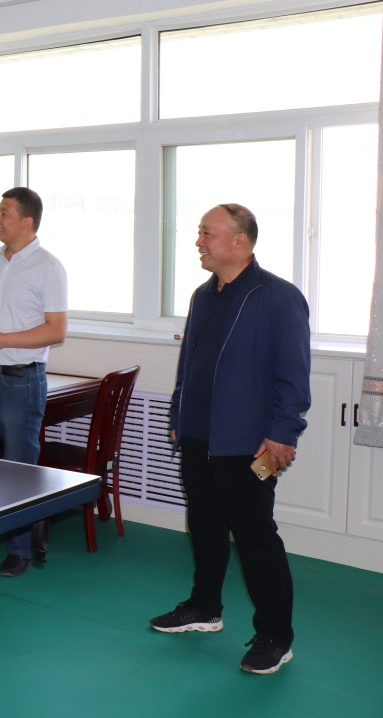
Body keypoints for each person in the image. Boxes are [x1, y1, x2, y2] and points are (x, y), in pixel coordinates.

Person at [150, 203, 310, 676]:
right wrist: (178, 411)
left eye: (207, 233)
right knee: (203, 526)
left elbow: (294, 375)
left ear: (240, 241)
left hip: (250, 446)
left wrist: (283, 433)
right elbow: (190, 363)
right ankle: (204, 608)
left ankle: (276, 636)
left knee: (256, 538)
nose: (198, 242)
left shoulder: (279, 297)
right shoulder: (203, 296)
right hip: (198, 436)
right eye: (200, 233)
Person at [0, 187, 68, 577]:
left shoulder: (48, 267)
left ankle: (20, 548)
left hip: (21, 381)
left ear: (26, 221)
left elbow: (56, 331)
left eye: (4, 213)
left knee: (19, 468)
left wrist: (4, 339)